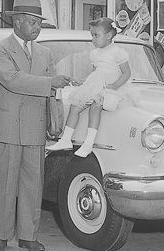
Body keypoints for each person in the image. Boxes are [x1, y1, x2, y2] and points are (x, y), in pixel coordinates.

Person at [0, 0, 71, 251]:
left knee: (33, 185)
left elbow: (51, 92)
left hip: (35, 127)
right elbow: (12, 80)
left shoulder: (46, 53)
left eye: (39, 23)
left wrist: (56, 121)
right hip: (7, 127)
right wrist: (50, 82)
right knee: (5, 184)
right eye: (33, 22)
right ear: (18, 21)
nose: (37, 27)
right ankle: (1, 235)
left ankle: (28, 235)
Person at [48, 17, 131, 157]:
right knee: (75, 106)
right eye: (92, 35)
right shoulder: (94, 54)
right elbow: (95, 74)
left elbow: (126, 73)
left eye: (96, 35)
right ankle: (66, 139)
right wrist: (84, 85)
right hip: (96, 85)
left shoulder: (118, 52)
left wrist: (113, 87)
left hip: (110, 88)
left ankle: (88, 143)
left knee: (95, 107)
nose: (93, 39)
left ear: (109, 35)